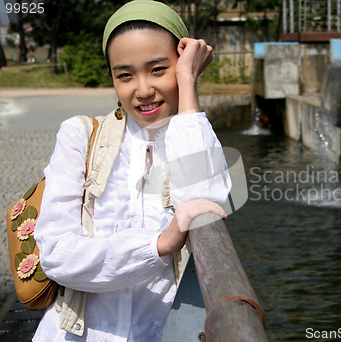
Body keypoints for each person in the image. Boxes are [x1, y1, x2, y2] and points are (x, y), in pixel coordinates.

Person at [32, 0, 231, 340]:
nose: (142, 90)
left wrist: (188, 83)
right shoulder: (80, 136)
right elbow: (55, 255)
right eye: (124, 75)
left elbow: (208, 203)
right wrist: (159, 244)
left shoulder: (191, 136)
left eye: (158, 69)